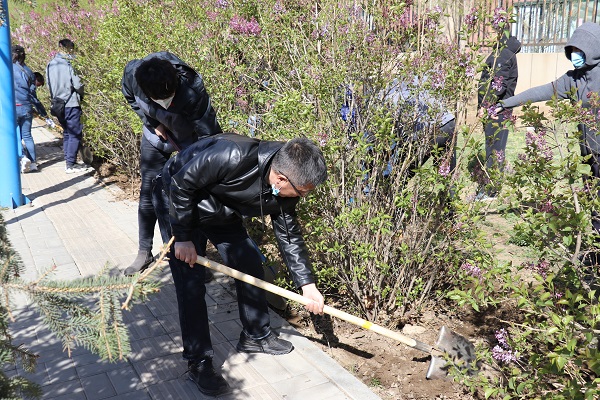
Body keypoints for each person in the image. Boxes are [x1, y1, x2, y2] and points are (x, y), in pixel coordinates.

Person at [153, 133, 327, 395]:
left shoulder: (285, 188)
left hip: (220, 209)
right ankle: (198, 361)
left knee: (249, 263)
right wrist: (184, 237)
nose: (302, 197)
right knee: (191, 284)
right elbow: (181, 184)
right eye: (302, 191)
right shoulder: (232, 154)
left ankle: (256, 335)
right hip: (177, 200)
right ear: (281, 179)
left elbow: (289, 236)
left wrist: (307, 285)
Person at [497, 22, 600, 261]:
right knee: (594, 205)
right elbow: (544, 91)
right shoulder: (573, 79)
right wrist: (505, 103)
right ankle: (595, 256)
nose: (575, 55)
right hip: (590, 153)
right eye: (572, 50)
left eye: (580, 50)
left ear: (594, 48)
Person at [121, 52, 222, 276]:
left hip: (189, 140)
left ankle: (197, 259)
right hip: (157, 137)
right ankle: (144, 251)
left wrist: (206, 164)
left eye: (169, 98)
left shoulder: (192, 89)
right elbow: (130, 97)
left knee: (195, 194)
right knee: (149, 192)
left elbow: (209, 136)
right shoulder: (133, 75)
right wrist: (153, 122)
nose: (165, 103)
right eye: (158, 99)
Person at [477, 31, 521, 199]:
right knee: (496, 148)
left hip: (496, 111)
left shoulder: (503, 54)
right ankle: (491, 187)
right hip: (500, 109)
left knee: (494, 149)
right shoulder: (506, 53)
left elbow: (498, 85)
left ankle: (491, 190)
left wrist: (486, 106)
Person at [46, 38, 86, 174]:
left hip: (57, 104)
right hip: (71, 103)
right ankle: (70, 164)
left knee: (67, 132)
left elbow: (48, 85)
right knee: (74, 133)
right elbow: (78, 85)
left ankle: (68, 161)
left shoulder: (50, 64)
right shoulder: (70, 64)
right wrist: (82, 95)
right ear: (69, 49)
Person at [12, 45, 51, 173]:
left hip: (13, 107)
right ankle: (33, 163)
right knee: (27, 135)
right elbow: (33, 96)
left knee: (16, 136)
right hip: (27, 107)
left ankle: (22, 157)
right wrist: (44, 114)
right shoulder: (29, 72)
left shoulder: (7, 69)